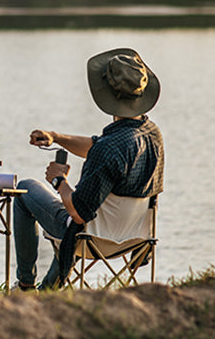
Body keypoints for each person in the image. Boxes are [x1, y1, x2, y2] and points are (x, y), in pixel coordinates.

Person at [13, 48, 164, 291]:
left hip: (92, 239)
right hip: (134, 238)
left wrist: (59, 180)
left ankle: (25, 286)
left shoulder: (109, 149)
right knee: (77, 218)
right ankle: (47, 293)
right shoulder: (151, 135)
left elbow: (78, 212)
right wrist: (56, 137)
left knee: (25, 190)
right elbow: (97, 147)